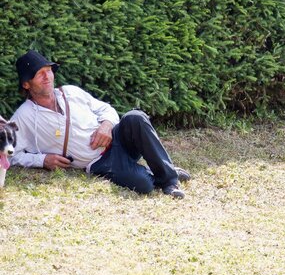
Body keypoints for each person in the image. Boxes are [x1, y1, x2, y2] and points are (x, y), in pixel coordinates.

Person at [10, 50, 189, 199]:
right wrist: (42, 160)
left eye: (48, 70)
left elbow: (105, 109)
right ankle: (160, 171)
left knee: (136, 117)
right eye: (39, 74)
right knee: (144, 185)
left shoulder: (71, 92)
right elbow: (9, 155)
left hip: (118, 138)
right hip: (100, 162)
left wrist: (107, 125)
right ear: (26, 84)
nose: (47, 77)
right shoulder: (23, 116)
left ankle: (169, 181)